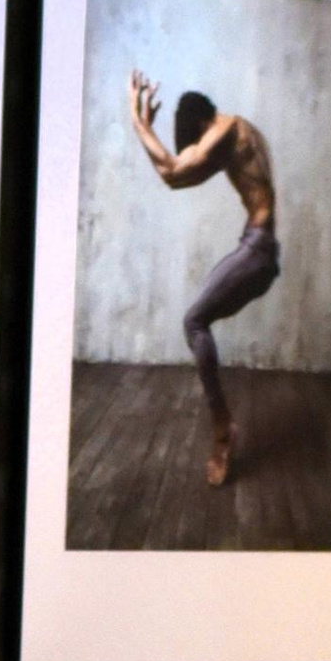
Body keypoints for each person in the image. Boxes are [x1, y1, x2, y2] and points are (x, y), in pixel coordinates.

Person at [125, 73, 279, 489]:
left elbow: (173, 171)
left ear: (198, 126)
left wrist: (139, 124)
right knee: (197, 321)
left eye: (193, 139)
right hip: (258, 248)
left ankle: (222, 429)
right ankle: (223, 426)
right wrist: (150, 130)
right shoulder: (240, 130)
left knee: (193, 322)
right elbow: (174, 175)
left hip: (258, 251)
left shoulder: (227, 130)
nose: (196, 147)